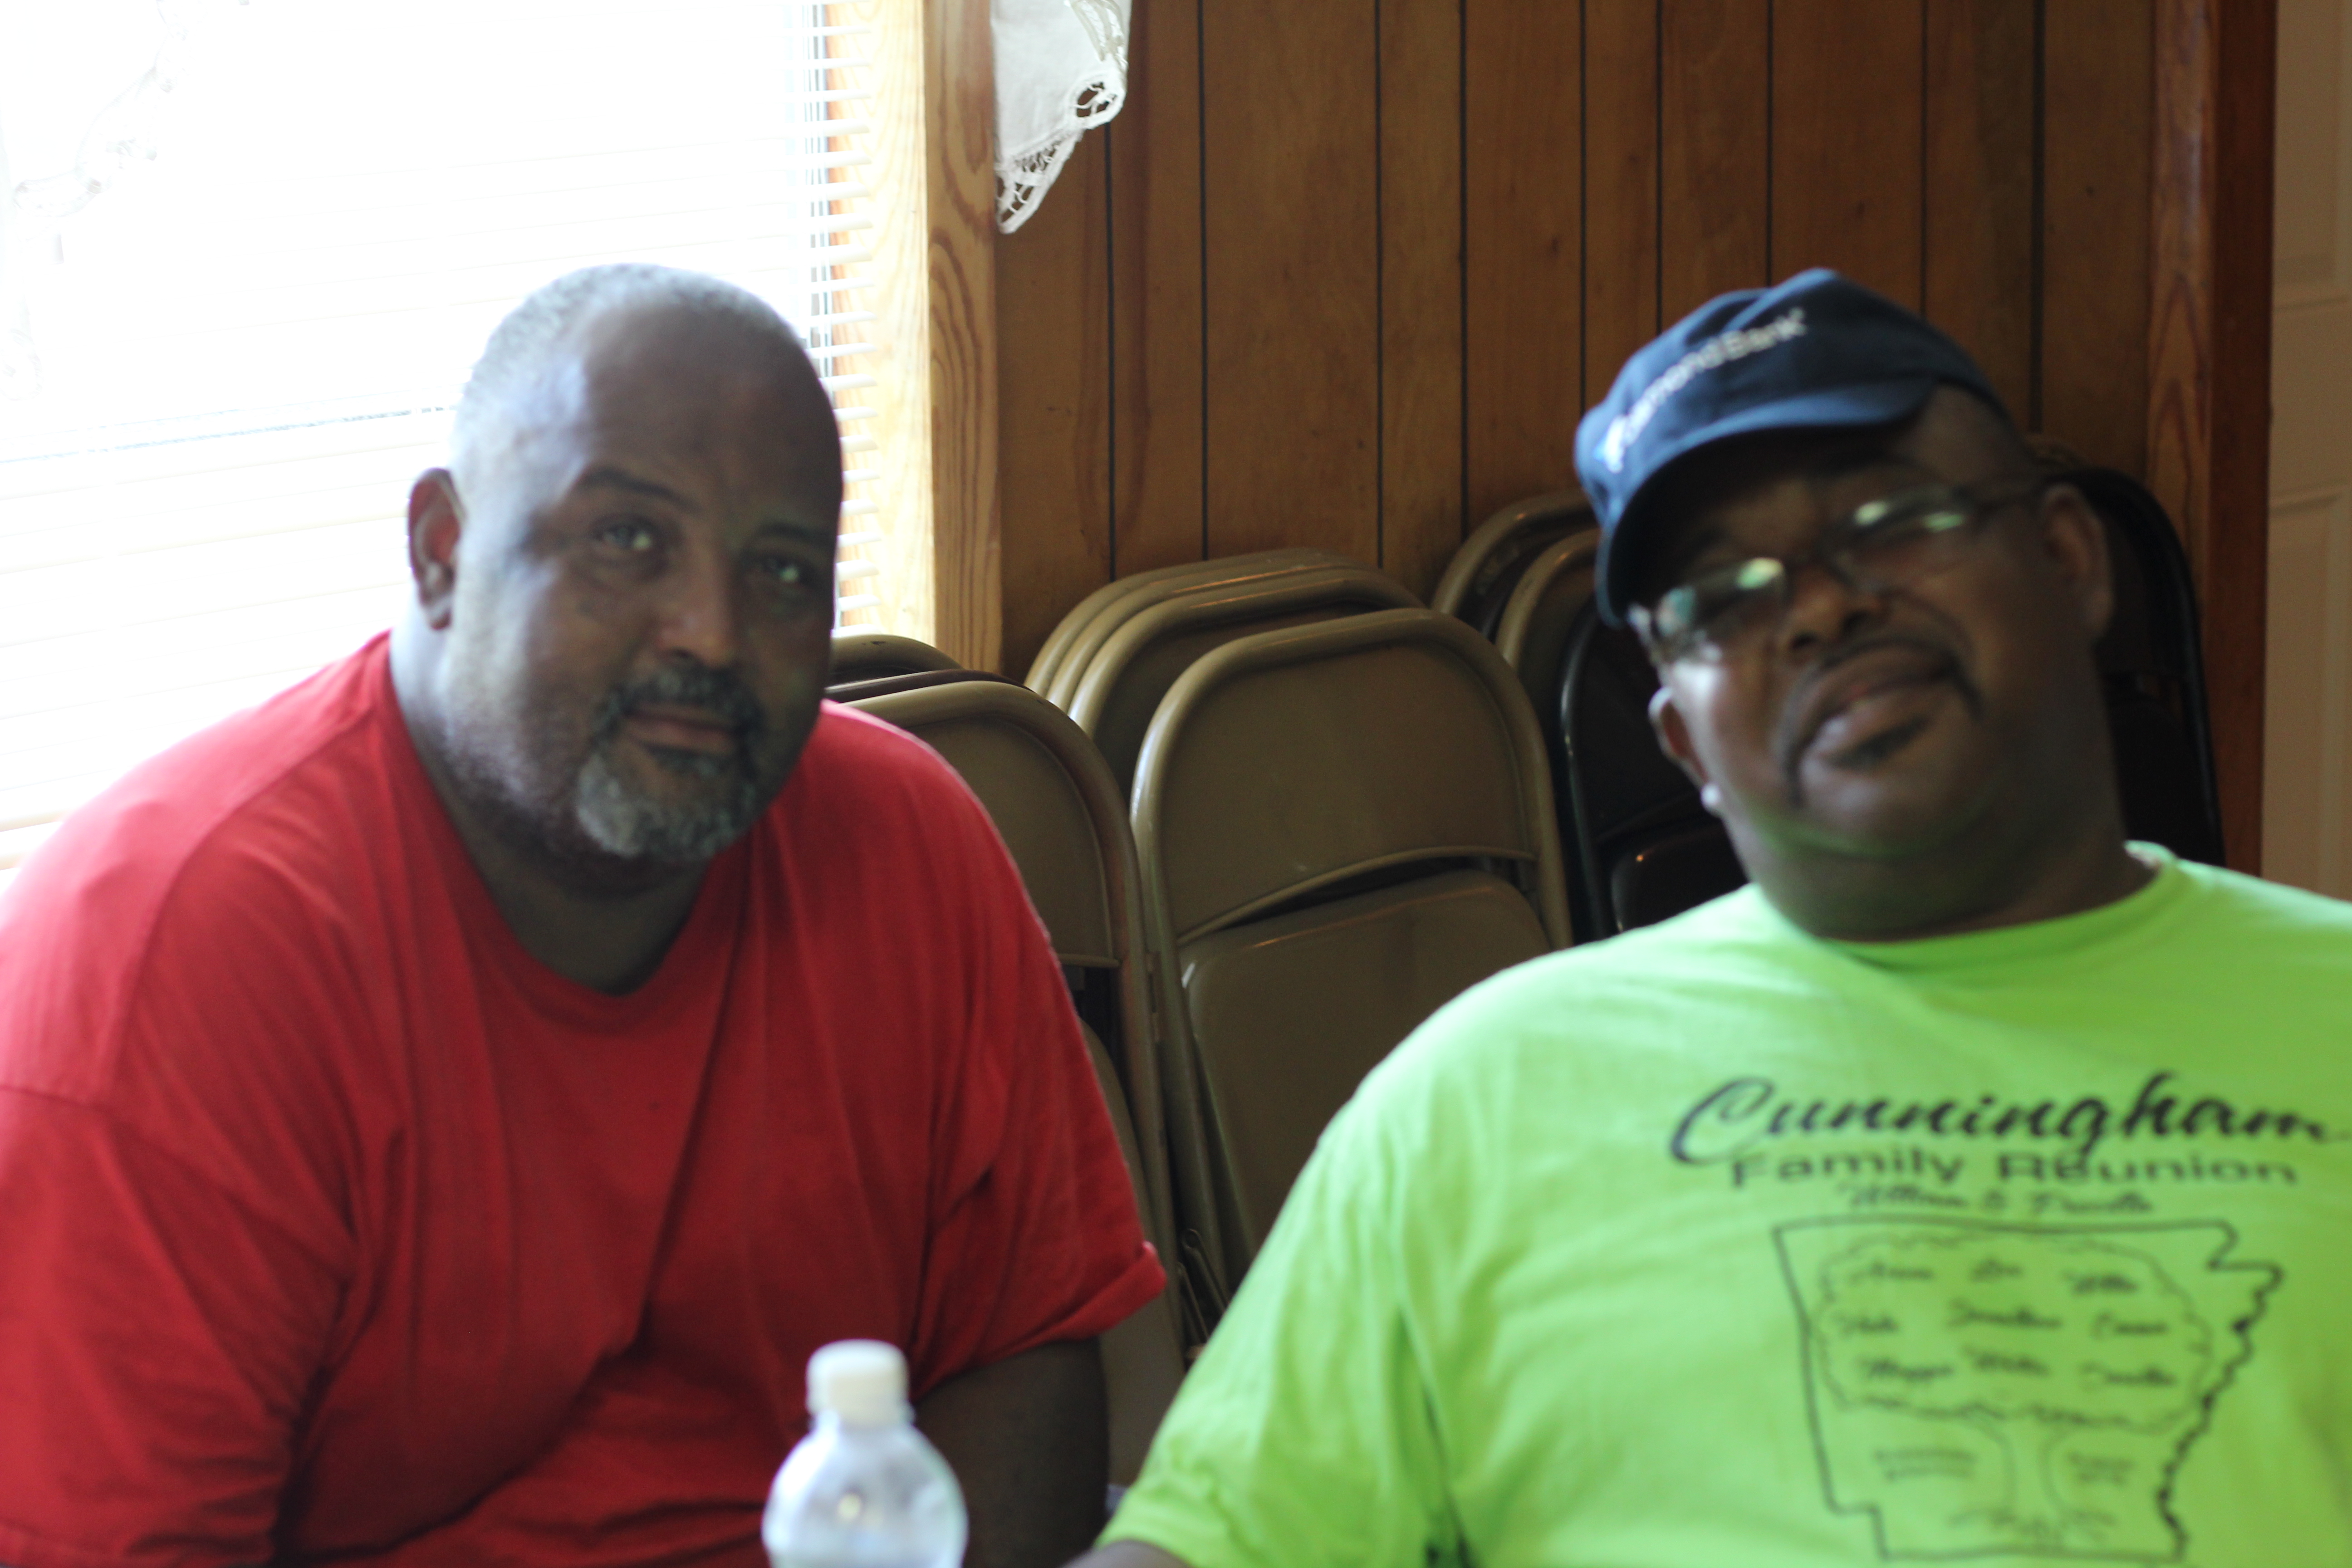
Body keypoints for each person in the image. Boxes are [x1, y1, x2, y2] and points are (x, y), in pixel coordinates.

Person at [1078, 270, 2352, 1568]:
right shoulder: (1485, 1098)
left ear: (2071, 561)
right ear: (1684, 740)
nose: (1821, 608)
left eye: (1890, 519)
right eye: (1724, 599)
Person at [0, 265, 1163, 1568]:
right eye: (627, 540)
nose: (713, 634)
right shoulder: (169, 963)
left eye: (782, 571)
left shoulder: (908, 846)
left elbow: (1023, 1355)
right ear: (442, 552)